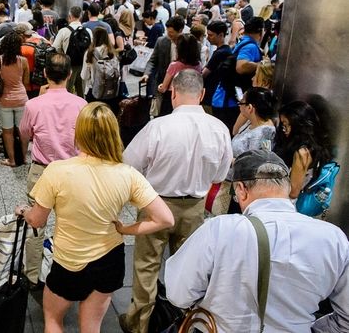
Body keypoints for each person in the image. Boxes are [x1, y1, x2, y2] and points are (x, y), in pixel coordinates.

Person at [17, 102, 174, 333]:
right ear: (113, 133)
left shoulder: (57, 171)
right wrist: (125, 229)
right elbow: (165, 219)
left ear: (79, 133)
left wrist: (24, 212)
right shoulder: (128, 174)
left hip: (69, 261)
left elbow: (37, 220)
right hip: (109, 260)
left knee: (52, 318)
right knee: (91, 327)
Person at [165, 150, 349, 333]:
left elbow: (178, 295)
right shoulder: (334, 238)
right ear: (285, 187)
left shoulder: (220, 229)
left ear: (241, 190)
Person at [120, 70, 233, 333]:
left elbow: (128, 164)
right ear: (202, 94)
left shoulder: (158, 127)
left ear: (173, 93)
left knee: (146, 265)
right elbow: (220, 174)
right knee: (188, 270)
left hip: (155, 205)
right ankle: (181, 322)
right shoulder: (219, 129)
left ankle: (139, 323)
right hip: (195, 208)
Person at [19, 53, 87, 285]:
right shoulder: (82, 105)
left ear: (46, 74)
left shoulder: (33, 104)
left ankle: (32, 275)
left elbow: (25, 134)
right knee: (71, 224)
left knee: (36, 223)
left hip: (42, 171)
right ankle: (69, 270)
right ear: (70, 75)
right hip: (72, 171)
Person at [274, 101, 333, 201]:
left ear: (297, 124)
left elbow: (293, 192)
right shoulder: (314, 145)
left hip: (289, 204)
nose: (284, 130)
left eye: (286, 125)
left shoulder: (302, 153)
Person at [0, 32, 30, 167]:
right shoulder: (23, 61)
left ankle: (11, 160)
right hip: (21, 99)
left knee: (8, 131)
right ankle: (23, 158)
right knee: (22, 130)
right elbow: (26, 82)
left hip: (5, 100)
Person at [142, 16, 185, 115]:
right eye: (167, 31)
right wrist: (146, 74)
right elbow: (152, 61)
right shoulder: (161, 41)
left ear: (181, 30)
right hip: (163, 85)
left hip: (181, 88)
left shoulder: (188, 43)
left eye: (171, 32)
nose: (168, 34)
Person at [80, 27, 119, 108]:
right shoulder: (112, 53)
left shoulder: (89, 53)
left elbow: (84, 76)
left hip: (93, 91)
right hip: (111, 92)